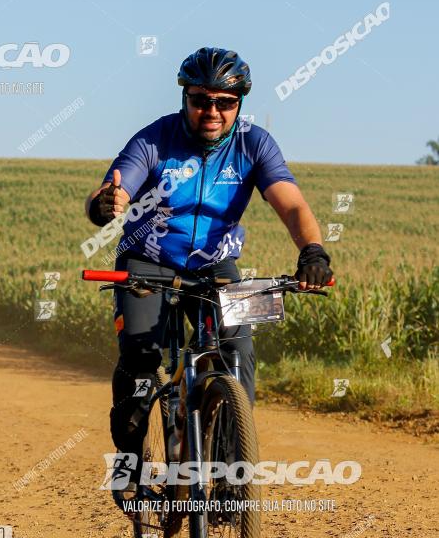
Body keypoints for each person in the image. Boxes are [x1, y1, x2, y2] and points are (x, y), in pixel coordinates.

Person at [84, 46, 333, 497]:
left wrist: (313, 251)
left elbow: (292, 204)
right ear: (185, 98)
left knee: (238, 350)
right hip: (149, 262)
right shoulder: (155, 140)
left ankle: (231, 469)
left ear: (240, 102)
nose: (212, 111)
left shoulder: (254, 144)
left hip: (217, 266)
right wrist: (106, 204)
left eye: (225, 102)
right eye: (201, 100)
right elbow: (115, 187)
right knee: (141, 361)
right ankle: (129, 462)